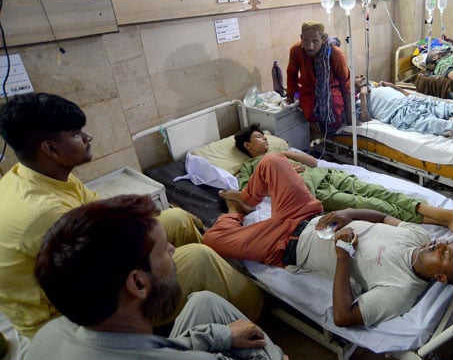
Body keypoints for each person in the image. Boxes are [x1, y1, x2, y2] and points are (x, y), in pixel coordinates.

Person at [0, 93, 263, 338]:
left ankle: (211, 288)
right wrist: (162, 255)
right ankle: (255, 315)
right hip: (71, 315)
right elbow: (108, 273)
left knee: (176, 219)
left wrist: (158, 239)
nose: (88, 137)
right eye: (77, 134)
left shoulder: (39, 176)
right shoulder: (44, 212)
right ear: (50, 149)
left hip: (93, 266)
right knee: (198, 258)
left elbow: (105, 217)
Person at [19, 195, 315, 360]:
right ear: (138, 283)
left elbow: (150, 359)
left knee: (203, 302)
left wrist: (220, 336)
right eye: (164, 250)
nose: (174, 250)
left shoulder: (51, 333)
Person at [202, 153, 453, 327]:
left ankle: (235, 211)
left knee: (213, 239)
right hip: (305, 212)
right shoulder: (419, 237)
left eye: (444, 254)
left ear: (442, 278)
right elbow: (383, 218)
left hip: (285, 245)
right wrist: (349, 213)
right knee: (272, 160)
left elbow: (343, 317)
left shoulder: (400, 291)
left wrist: (343, 256)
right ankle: (248, 200)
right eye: (446, 244)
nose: (439, 244)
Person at [235, 123, 453, 232]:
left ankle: (446, 218)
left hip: (327, 174)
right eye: (259, 137)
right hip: (315, 192)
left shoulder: (280, 152)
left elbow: (313, 162)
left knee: (382, 192)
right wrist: (282, 175)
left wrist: (287, 153)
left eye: (265, 137)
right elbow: (250, 198)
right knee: (373, 205)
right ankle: (445, 219)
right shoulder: (250, 167)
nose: (265, 140)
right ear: (247, 145)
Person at [356, 77, 453, 144]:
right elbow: (366, 119)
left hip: (414, 101)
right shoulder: (357, 100)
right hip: (402, 115)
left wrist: (392, 86)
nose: (361, 76)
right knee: (440, 125)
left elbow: (409, 95)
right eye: (356, 77)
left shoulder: (377, 86)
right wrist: (363, 97)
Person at [286, 21, 351, 135]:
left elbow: (346, 83)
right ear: (301, 38)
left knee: (334, 113)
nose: (310, 46)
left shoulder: (335, 54)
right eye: (306, 41)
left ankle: (329, 137)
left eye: (315, 41)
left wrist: (351, 118)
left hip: (332, 88)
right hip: (308, 89)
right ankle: (321, 137)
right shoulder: (296, 50)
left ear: (324, 39)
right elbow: (292, 74)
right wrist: (291, 96)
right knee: (310, 113)